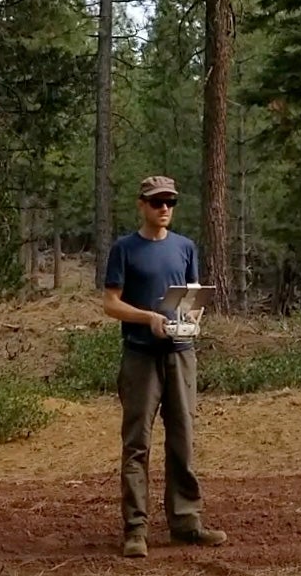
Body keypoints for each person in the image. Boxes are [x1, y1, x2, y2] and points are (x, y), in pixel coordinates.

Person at [102, 175, 227, 558]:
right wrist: (147, 318)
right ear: (141, 204)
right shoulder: (124, 249)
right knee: (137, 444)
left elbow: (191, 297)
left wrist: (194, 319)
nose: (164, 209)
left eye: (170, 202)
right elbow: (110, 303)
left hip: (180, 354)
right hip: (140, 356)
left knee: (183, 441)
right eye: (157, 202)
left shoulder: (186, 247)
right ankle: (135, 529)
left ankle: (186, 522)